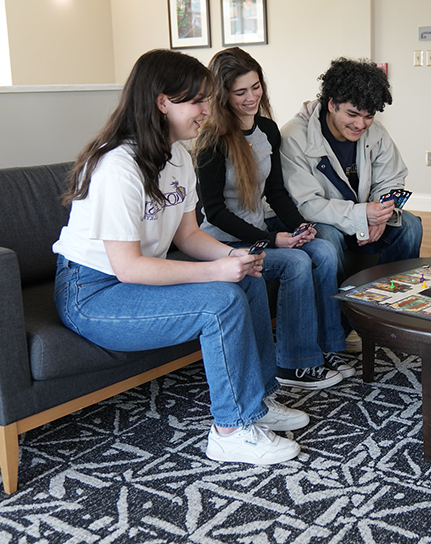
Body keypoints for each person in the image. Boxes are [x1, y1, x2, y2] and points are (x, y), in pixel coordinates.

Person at [52, 48, 307, 467]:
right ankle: (230, 430)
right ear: (162, 102)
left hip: (129, 281)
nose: (208, 110)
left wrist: (234, 257)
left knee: (246, 277)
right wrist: (215, 271)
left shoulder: (177, 157)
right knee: (219, 302)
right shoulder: (117, 167)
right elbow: (128, 267)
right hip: (93, 292)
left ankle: (258, 400)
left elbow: (188, 235)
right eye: (198, 101)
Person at [194, 47, 352, 390]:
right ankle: (294, 364)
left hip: (258, 230)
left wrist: (298, 225)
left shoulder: (266, 129)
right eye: (240, 92)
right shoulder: (211, 140)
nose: (251, 98)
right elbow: (216, 211)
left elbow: (277, 191)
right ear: (223, 96)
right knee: (295, 261)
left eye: (256, 87)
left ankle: (325, 348)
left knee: (322, 249)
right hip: (222, 239)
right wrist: (270, 240)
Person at [280, 57, 423, 286]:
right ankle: (341, 315)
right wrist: (362, 214)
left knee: (410, 226)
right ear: (331, 104)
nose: (361, 125)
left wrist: (382, 213)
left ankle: (391, 302)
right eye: (352, 114)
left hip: (365, 219)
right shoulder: (294, 137)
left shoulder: (375, 132)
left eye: (369, 116)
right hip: (324, 222)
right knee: (327, 238)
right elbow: (306, 205)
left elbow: (392, 178)